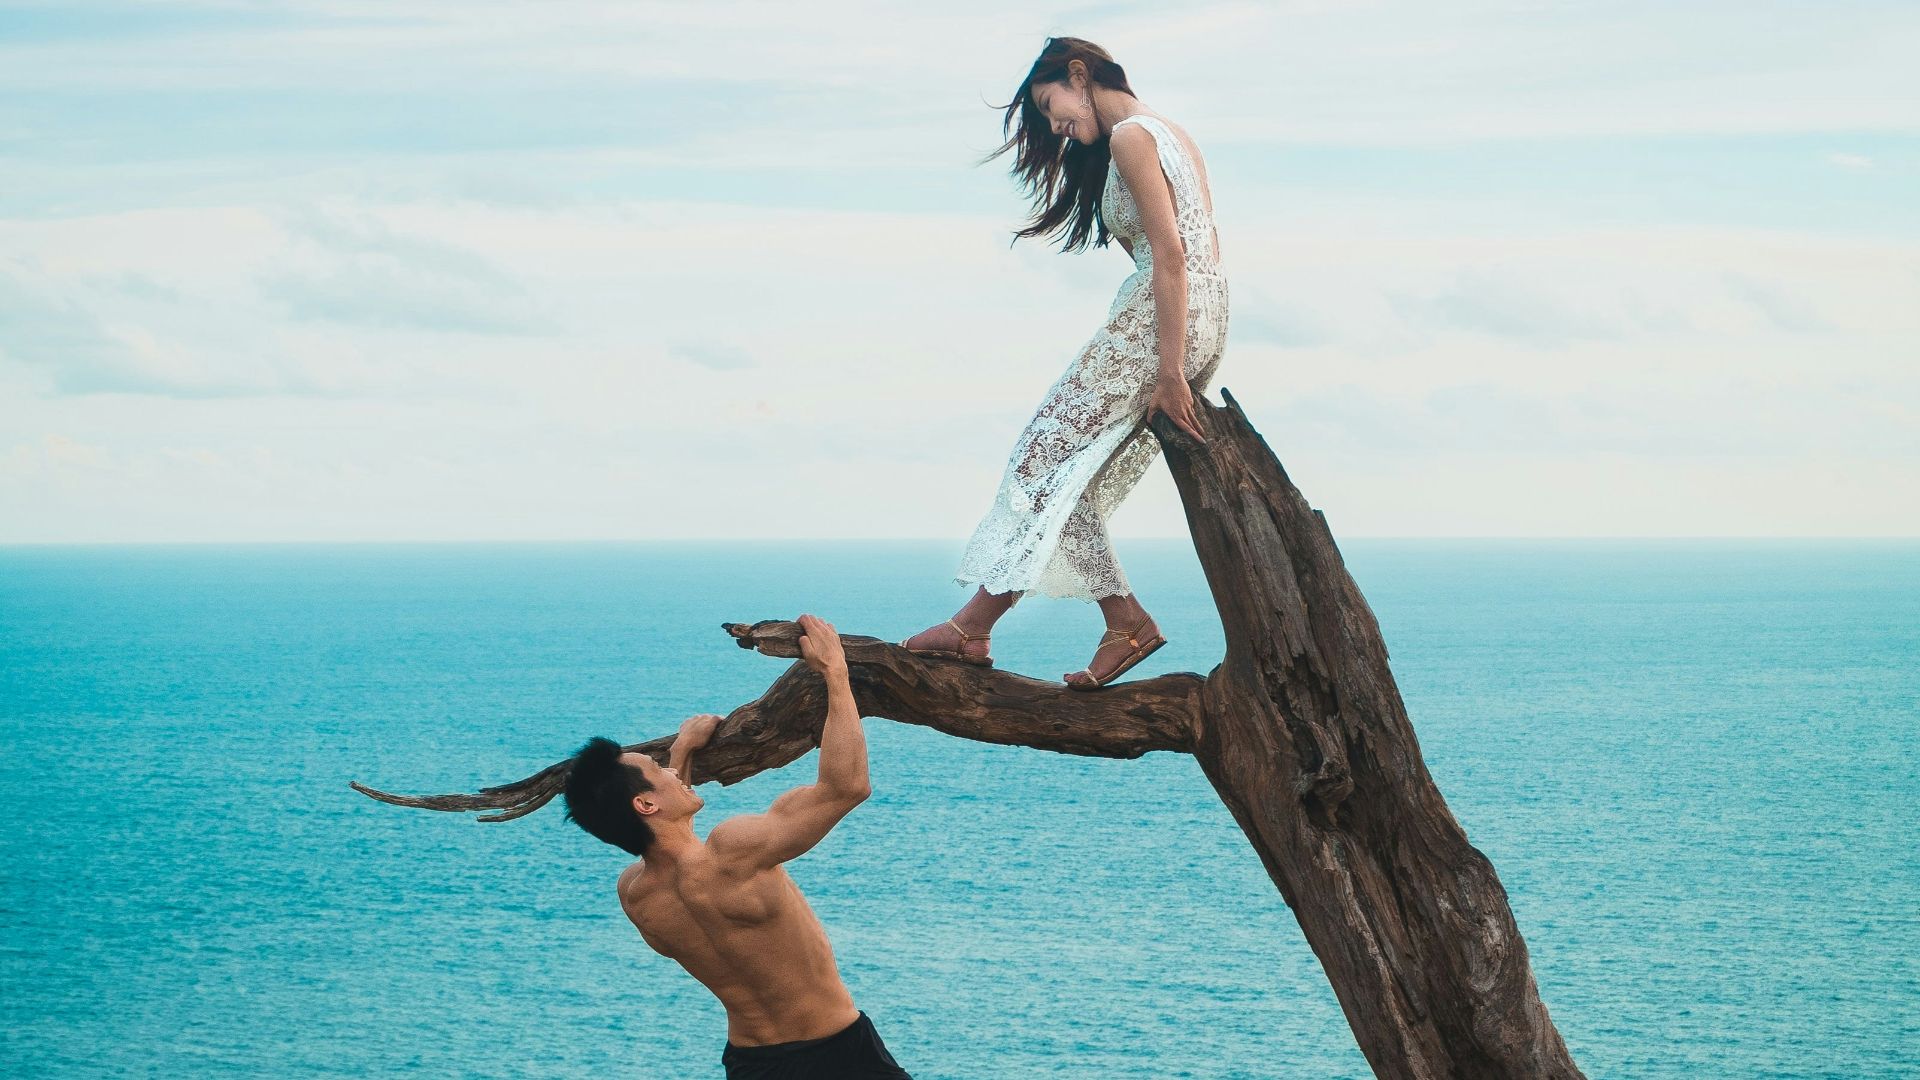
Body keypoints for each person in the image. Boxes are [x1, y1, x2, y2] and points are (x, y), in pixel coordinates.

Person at [902, 35, 1230, 690]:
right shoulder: (1172, 133)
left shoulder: (1132, 138)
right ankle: (1108, 622)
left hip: (1157, 326)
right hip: (1201, 319)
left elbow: (1171, 255)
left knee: (1037, 460)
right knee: (1063, 474)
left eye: (1051, 106)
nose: (1055, 126)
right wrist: (1187, 352)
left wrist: (1169, 370)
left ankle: (989, 627)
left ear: (1079, 75)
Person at [562, 614, 912, 1079]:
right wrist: (835, 672)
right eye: (658, 767)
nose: (670, 771)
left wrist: (684, 752)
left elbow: (668, 845)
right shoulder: (734, 853)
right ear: (645, 803)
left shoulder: (638, 897)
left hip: (751, 1064)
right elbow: (845, 788)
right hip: (838, 1055)